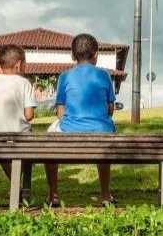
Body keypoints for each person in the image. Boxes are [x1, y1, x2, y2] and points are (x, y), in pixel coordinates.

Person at [47, 33, 117, 207]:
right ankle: (105, 194)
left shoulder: (64, 76)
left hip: (70, 130)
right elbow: (110, 109)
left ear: (72, 55)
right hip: (101, 130)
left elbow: (60, 110)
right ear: (96, 55)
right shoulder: (105, 75)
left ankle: (53, 193)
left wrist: (68, 123)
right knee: (105, 136)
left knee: (47, 141)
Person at [0, 44, 44, 199]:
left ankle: (16, 186)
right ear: (19, 64)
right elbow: (29, 115)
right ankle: (18, 186)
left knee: (4, 152)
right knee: (25, 145)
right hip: (19, 136)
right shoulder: (25, 84)